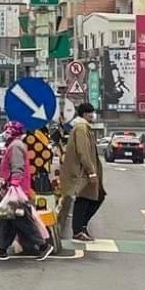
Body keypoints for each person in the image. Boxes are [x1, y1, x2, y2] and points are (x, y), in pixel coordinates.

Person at [0, 121, 53, 260]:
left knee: (21, 220)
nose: (5, 133)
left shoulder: (15, 146)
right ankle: (2, 249)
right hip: (15, 189)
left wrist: (14, 185)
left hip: (16, 190)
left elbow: (18, 167)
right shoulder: (15, 145)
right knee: (6, 218)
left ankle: (43, 245)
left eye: (7, 130)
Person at [59, 103, 105, 242]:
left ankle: (81, 227)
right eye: (90, 113)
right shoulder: (81, 128)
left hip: (84, 171)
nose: (92, 115)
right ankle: (78, 230)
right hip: (82, 172)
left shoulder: (84, 128)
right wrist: (91, 172)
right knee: (84, 199)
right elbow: (83, 152)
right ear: (84, 114)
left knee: (95, 197)